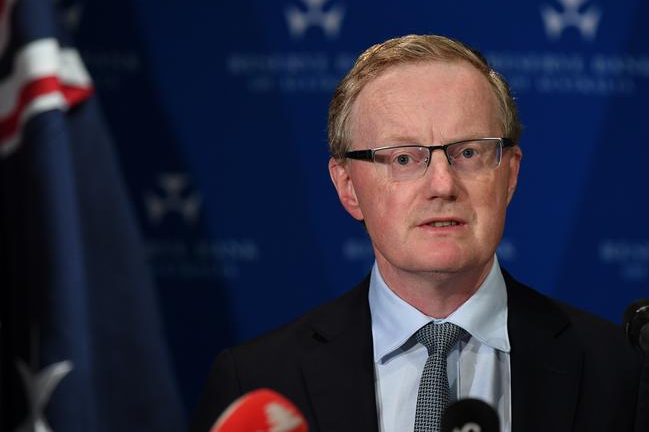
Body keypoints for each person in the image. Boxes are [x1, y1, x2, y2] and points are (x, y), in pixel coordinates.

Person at [190, 34, 644, 432]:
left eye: (468, 152)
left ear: (509, 176)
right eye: (404, 158)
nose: (443, 184)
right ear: (348, 186)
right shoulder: (257, 381)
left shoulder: (621, 372)